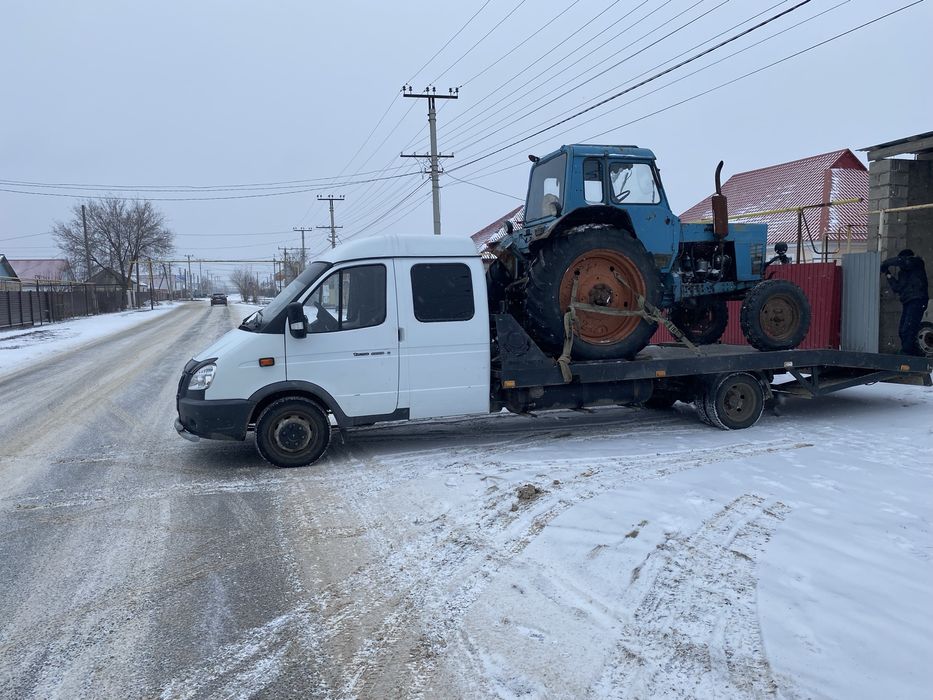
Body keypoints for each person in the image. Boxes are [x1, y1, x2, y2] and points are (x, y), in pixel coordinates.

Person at [881, 249, 929, 355]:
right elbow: (897, 287)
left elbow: (903, 262)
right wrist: (888, 274)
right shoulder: (903, 273)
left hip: (917, 299)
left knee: (908, 328)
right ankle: (912, 353)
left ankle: (907, 353)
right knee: (903, 330)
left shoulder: (916, 263)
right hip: (908, 302)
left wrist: (885, 263)